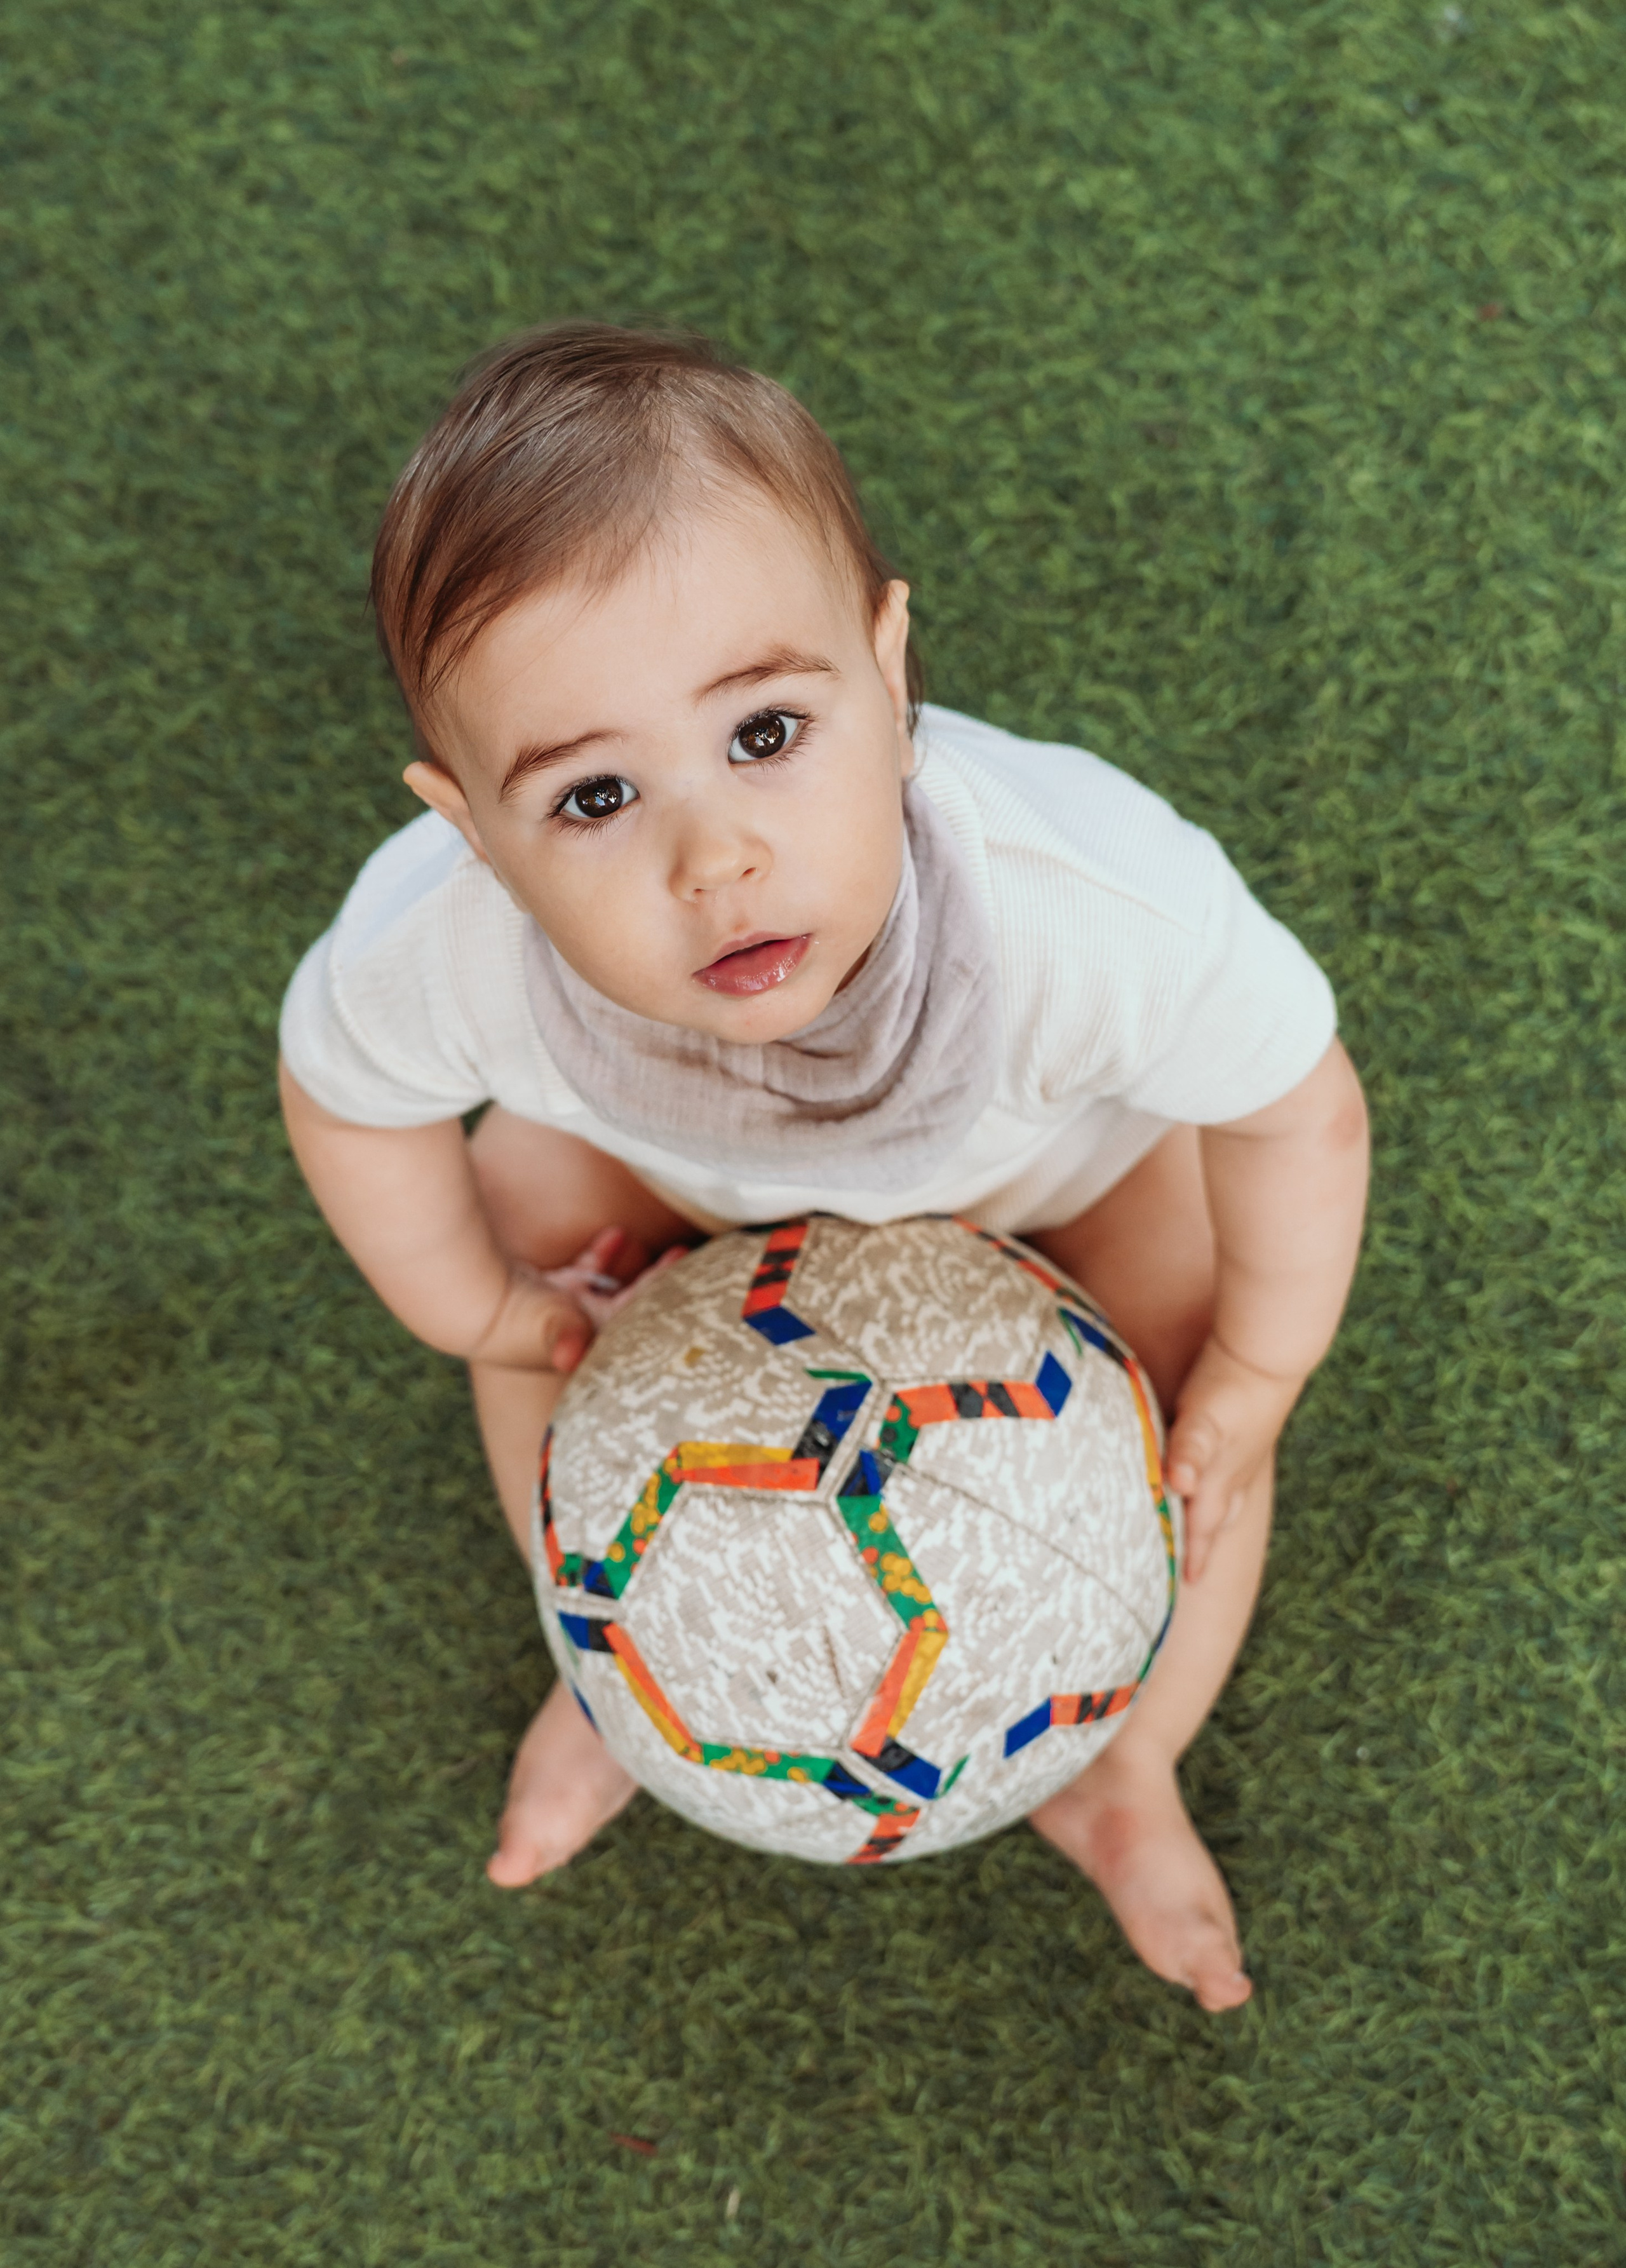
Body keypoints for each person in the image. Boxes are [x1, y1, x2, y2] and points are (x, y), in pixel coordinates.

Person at [279, 323, 1369, 2015]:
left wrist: (1256, 1372)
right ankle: (618, 1657)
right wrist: (482, 1310)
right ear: (468, 833)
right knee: (537, 1232)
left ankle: (1120, 1759)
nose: (715, 854)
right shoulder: (450, 945)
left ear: (889, 665)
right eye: (594, 798)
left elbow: (1300, 1105)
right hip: (677, 1188)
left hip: (1046, 1174)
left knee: (1183, 1334)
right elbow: (344, 1092)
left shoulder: (1082, 914)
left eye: (770, 733)